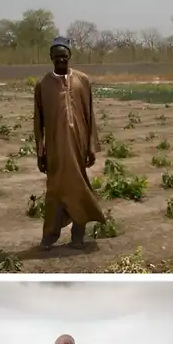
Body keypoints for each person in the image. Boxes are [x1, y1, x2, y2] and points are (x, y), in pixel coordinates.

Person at [33, 36, 106, 250]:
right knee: (54, 192)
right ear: (51, 58)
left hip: (78, 148)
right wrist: (40, 152)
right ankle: (49, 236)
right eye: (57, 58)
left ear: (70, 56)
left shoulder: (82, 80)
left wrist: (91, 147)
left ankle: (77, 236)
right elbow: (38, 120)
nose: (61, 61)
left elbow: (89, 114)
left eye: (64, 57)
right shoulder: (43, 85)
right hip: (55, 151)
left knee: (79, 190)